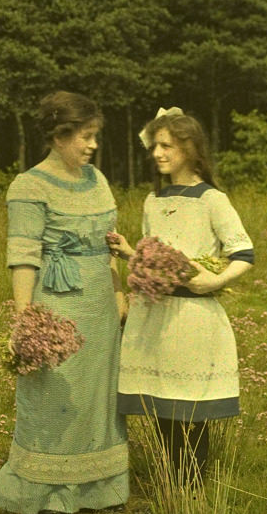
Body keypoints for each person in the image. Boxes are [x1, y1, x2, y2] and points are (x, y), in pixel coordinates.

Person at [0, 91, 129, 514]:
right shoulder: (28, 186)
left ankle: (102, 488)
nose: (92, 145)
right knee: (54, 399)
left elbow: (109, 245)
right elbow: (24, 254)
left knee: (96, 399)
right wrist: (25, 317)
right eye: (85, 136)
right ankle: (51, 493)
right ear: (59, 135)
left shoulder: (97, 180)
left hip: (100, 305)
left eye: (94, 136)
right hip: (57, 308)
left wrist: (119, 292)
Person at [107, 107, 254, 485]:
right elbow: (158, 258)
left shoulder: (212, 200)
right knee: (161, 403)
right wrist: (130, 253)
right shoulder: (152, 201)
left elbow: (243, 253)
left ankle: (190, 490)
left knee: (191, 406)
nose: (157, 153)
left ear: (190, 148)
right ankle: (172, 487)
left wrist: (214, 282)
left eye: (167, 146)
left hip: (191, 317)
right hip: (154, 314)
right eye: (155, 145)